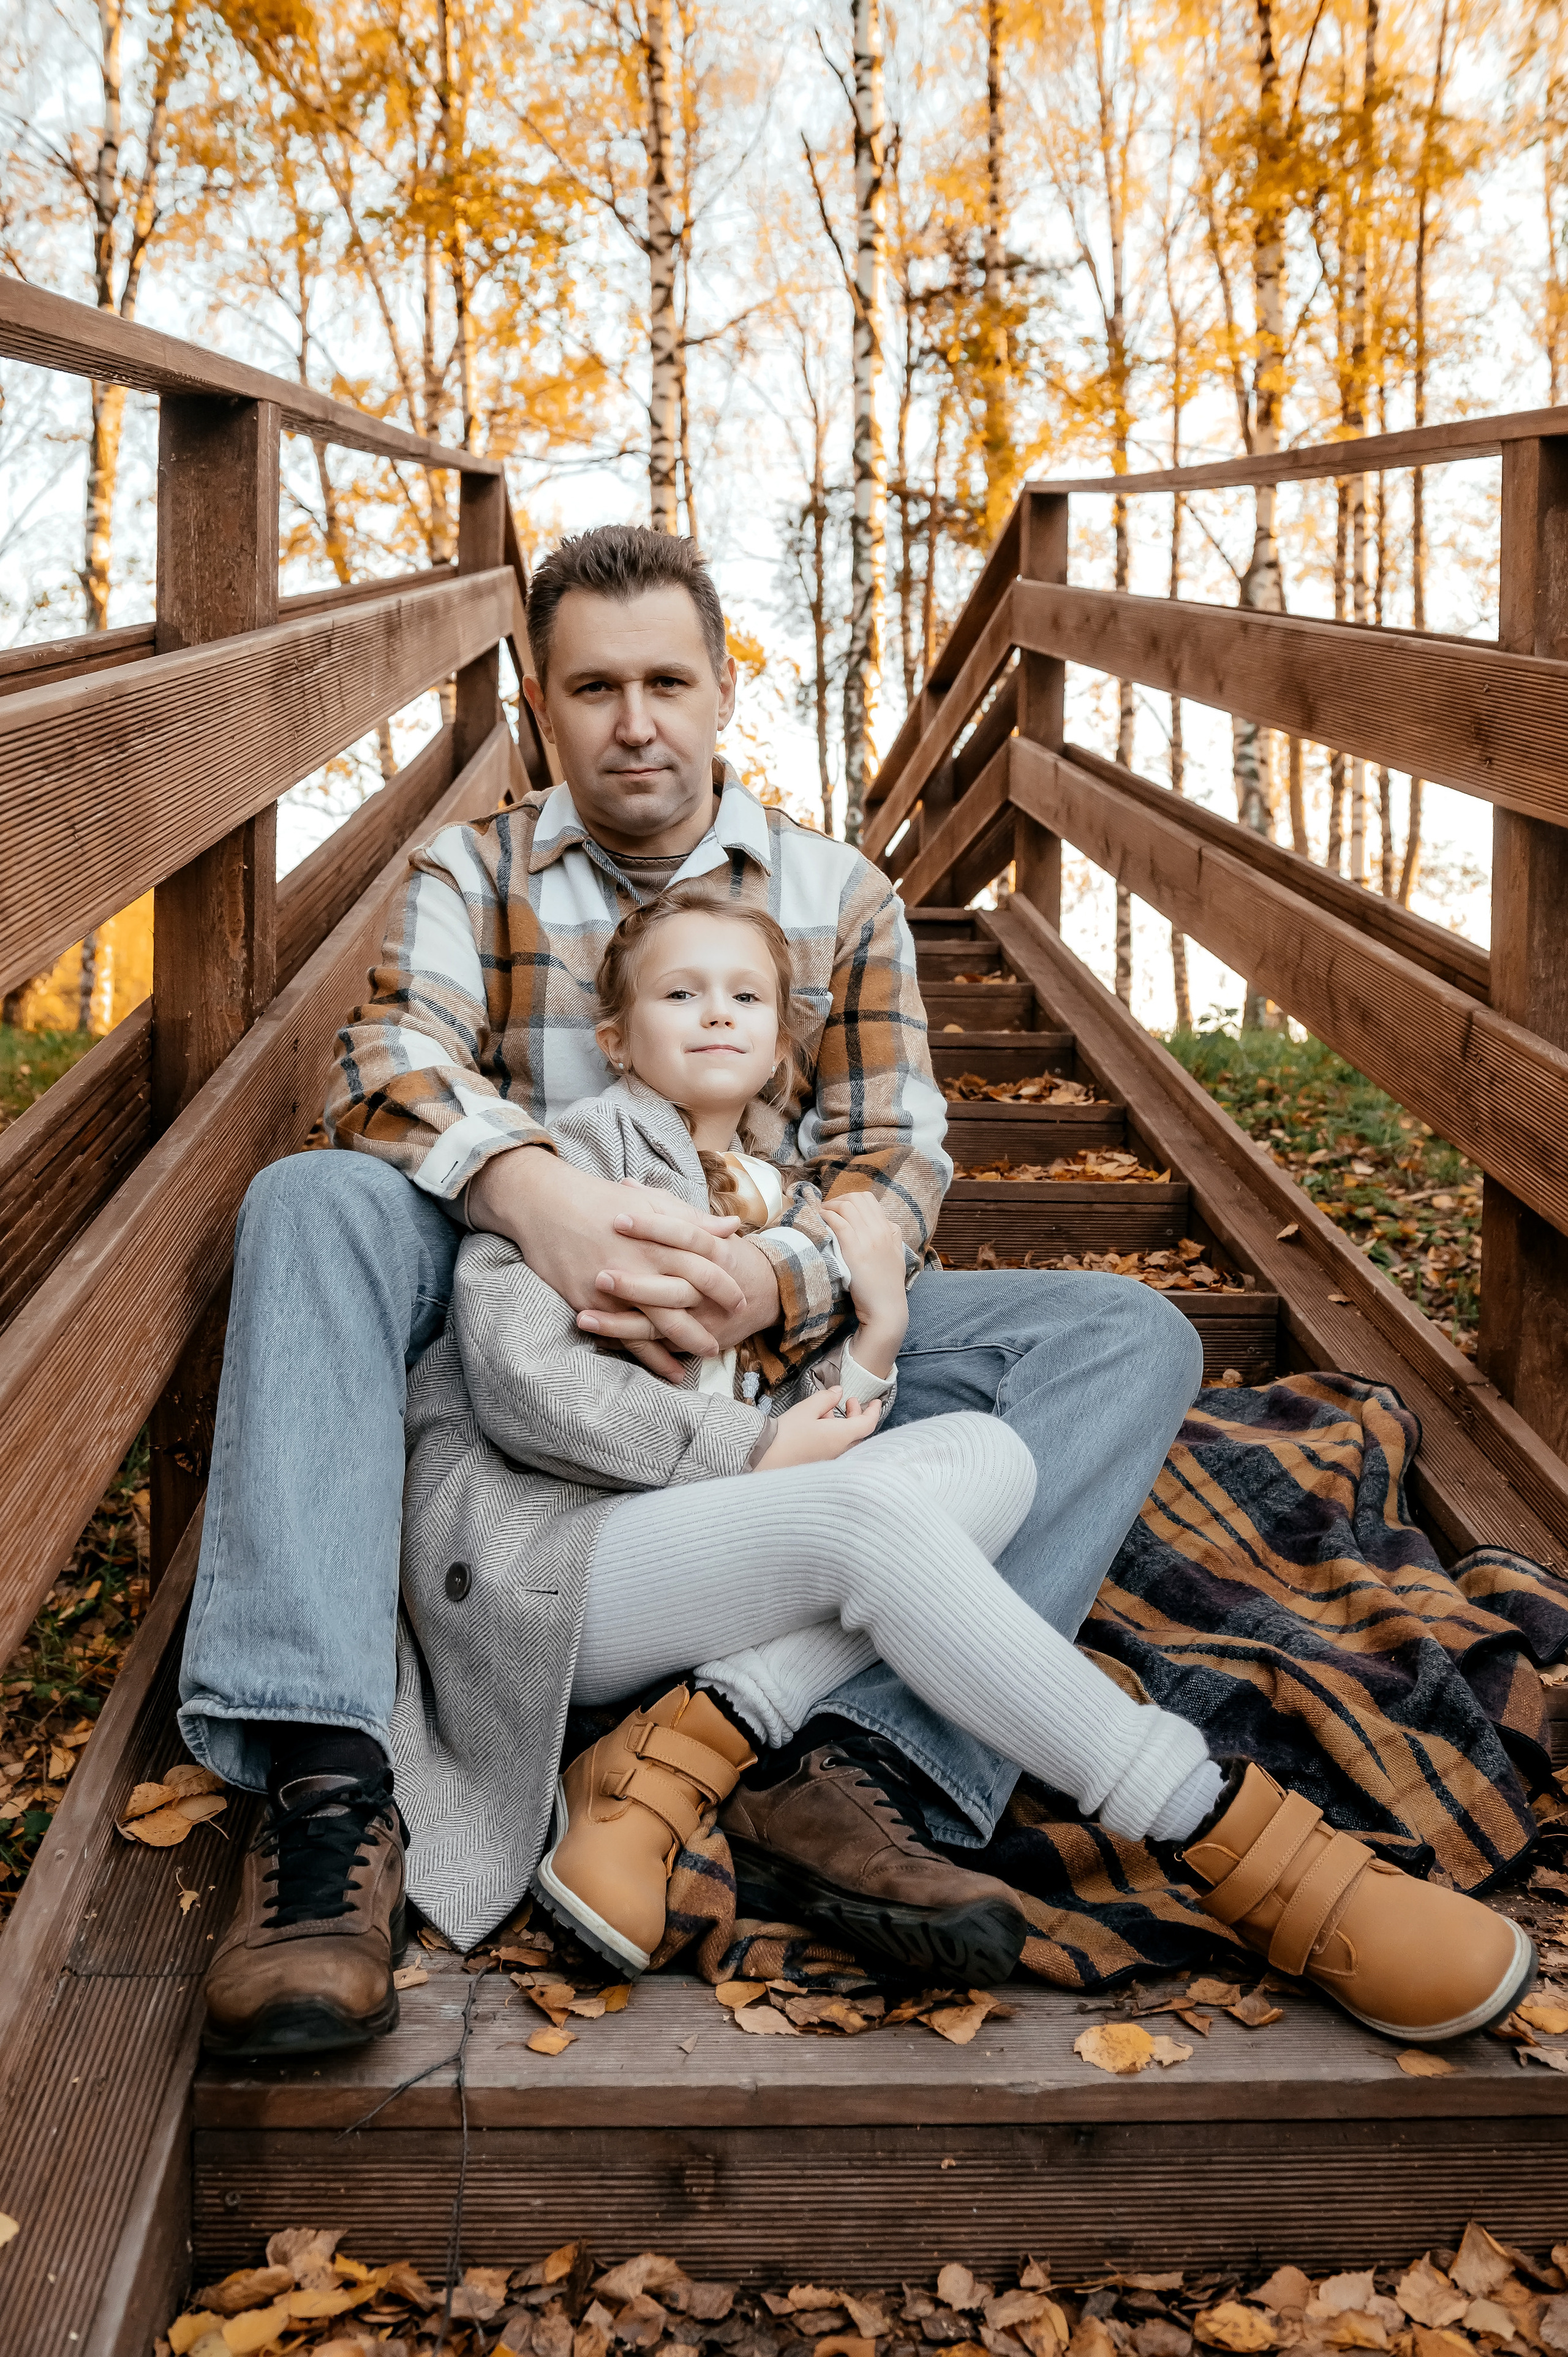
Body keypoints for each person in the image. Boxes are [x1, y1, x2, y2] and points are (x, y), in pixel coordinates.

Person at [182, 523, 1213, 2057]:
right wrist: (537, 1197)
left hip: (775, 1322)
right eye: (592, 688)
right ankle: (329, 1785)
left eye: (666, 682)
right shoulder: (471, 870)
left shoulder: (838, 893)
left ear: (724, 688)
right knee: (311, 1195)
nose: (633, 722)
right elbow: (387, 1063)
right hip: (520, 1320)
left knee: (1125, 1332)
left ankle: (858, 1764)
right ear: (539, 702)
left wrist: (763, 1281)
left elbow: (891, 1162)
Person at [204, 891, 1542, 2060]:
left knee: (990, 1457)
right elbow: (519, 1378)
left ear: (786, 1042)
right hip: (540, 1560)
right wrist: (749, 1453)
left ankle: (691, 1742)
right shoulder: (576, 1159)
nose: (714, 1015)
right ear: (614, 1035)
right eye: (679, 994)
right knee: (865, 1520)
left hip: (693, 1562)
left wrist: (861, 1355)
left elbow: (829, 1369)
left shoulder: (788, 1202)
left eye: (744, 997)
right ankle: (1221, 1832)